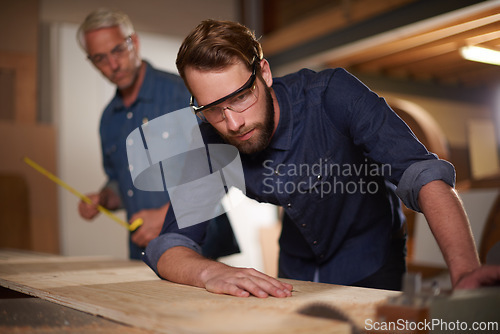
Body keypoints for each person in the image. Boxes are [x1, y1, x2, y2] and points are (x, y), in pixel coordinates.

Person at [142, 19, 500, 297]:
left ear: (263, 73)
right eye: (213, 109)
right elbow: (171, 244)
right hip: (294, 266)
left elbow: (421, 175)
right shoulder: (209, 139)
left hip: (371, 257)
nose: (232, 123)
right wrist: (210, 272)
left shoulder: (333, 94)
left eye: (239, 97)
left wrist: (465, 270)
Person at [76, 10, 239, 260]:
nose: (113, 64)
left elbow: (223, 164)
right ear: (91, 61)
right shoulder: (108, 120)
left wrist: (170, 214)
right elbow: (120, 183)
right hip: (144, 253)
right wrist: (104, 198)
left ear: (135, 42)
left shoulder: (184, 94)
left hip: (200, 248)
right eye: (100, 57)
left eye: (118, 50)